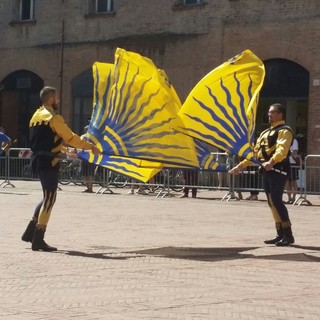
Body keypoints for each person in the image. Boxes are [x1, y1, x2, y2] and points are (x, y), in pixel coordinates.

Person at [21, 86, 100, 251]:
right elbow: (70, 137)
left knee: (46, 197)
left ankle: (30, 233)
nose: (58, 101)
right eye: (56, 98)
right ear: (51, 99)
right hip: (49, 162)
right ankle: (38, 239)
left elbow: (44, 141)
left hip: (39, 160)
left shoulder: (35, 116)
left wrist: (64, 150)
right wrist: (90, 146)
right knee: (50, 199)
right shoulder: (53, 117)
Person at [229, 103, 295, 246]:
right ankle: (280, 233)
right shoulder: (265, 133)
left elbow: (282, 151)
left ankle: (288, 235)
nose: (269, 115)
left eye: (272, 112)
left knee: (277, 200)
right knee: (271, 202)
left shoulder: (285, 130)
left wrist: (271, 162)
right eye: (269, 112)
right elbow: (256, 155)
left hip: (279, 169)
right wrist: (239, 166)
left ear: (280, 114)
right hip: (267, 171)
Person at [80, 125, 96, 193]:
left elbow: (80, 145)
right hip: (90, 157)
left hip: (85, 157)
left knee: (87, 174)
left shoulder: (83, 137)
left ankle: (89, 188)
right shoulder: (93, 138)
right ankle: (89, 188)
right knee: (89, 174)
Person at [285, 138, 299, 204]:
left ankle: (293, 198)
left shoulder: (294, 141)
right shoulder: (283, 140)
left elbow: (295, 152)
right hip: (285, 163)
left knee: (293, 182)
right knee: (286, 182)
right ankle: (289, 198)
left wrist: (287, 153)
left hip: (293, 164)